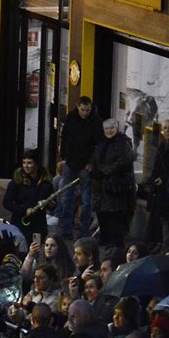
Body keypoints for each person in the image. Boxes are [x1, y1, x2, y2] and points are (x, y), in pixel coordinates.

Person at [58, 97, 104, 239]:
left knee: (86, 201)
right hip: (71, 162)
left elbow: (98, 145)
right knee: (67, 198)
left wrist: (91, 162)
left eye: (87, 110)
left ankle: (83, 231)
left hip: (85, 165)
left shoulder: (96, 122)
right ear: (78, 107)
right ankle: (66, 230)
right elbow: (64, 137)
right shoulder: (71, 118)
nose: (85, 113)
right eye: (83, 110)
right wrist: (64, 156)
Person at [91, 118, 136, 246]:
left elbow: (124, 161)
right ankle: (105, 238)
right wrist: (95, 169)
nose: (109, 131)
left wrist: (104, 171)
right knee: (102, 213)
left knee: (115, 215)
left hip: (117, 185)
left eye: (112, 128)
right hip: (102, 185)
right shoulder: (102, 143)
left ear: (117, 128)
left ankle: (115, 242)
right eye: (106, 128)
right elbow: (96, 158)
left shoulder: (124, 143)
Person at [3, 149, 55, 243]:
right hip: (20, 225)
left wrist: (49, 203)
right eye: (24, 163)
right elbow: (6, 203)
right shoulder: (17, 181)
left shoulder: (46, 183)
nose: (26, 166)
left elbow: (54, 204)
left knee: (36, 249)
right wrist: (23, 210)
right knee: (21, 249)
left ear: (37, 164)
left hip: (38, 226)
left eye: (29, 163)